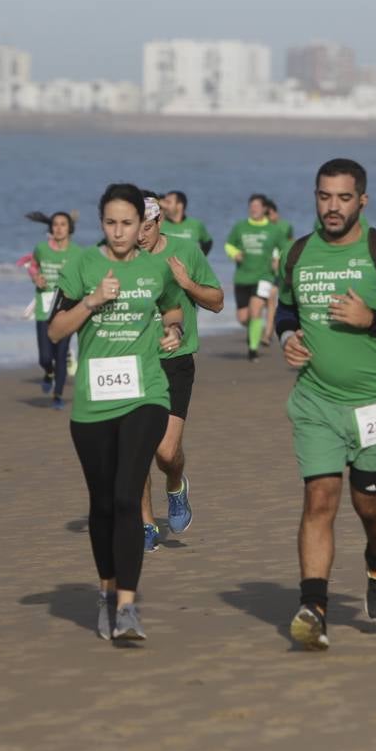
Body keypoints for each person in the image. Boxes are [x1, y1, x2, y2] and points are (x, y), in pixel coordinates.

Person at [277, 158, 376, 650]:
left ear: (361, 200)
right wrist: (286, 335)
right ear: (315, 197)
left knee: (368, 503)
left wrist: (371, 319)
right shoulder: (298, 253)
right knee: (319, 498)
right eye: (325, 197)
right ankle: (313, 608)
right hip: (317, 401)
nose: (333, 207)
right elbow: (285, 307)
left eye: (344, 198)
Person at [47, 183, 185, 642]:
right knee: (103, 504)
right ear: (101, 223)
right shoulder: (81, 265)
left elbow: (171, 309)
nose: (120, 231)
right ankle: (107, 593)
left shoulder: (156, 266)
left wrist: (173, 330)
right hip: (93, 402)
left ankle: (127, 606)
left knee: (128, 496)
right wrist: (91, 301)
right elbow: (55, 331)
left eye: (128, 223)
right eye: (111, 223)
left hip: (146, 393)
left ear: (141, 224)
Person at [136, 193, 224, 552]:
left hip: (176, 362)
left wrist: (187, 284)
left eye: (145, 227)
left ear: (159, 223)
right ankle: (145, 524)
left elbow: (217, 302)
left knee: (166, 453)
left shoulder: (186, 252)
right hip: (136, 363)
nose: (139, 236)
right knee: (139, 450)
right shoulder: (120, 257)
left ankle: (175, 485)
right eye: (131, 227)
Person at [26, 211, 79, 409]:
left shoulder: (77, 253)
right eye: (55, 224)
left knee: (62, 352)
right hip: (43, 310)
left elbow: (84, 275)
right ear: (51, 228)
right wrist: (35, 278)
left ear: (69, 229)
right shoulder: (41, 249)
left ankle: (58, 396)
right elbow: (32, 266)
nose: (58, 228)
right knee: (45, 357)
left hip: (66, 311)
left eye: (63, 224)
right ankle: (48, 372)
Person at [225, 194, 284, 361]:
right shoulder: (240, 227)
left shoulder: (274, 229)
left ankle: (253, 349)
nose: (254, 209)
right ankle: (254, 331)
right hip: (243, 277)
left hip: (264, 277)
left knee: (256, 310)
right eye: (251, 206)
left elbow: (284, 248)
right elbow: (229, 244)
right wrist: (234, 254)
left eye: (257, 206)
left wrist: (278, 259)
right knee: (243, 318)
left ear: (265, 209)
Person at [262, 198, 295, 346]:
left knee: (271, 298)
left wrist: (282, 261)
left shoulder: (285, 226)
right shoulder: (266, 228)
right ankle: (266, 332)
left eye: (268, 214)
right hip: (266, 271)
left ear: (274, 213)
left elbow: (291, 244)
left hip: (280, 270)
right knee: (267, 300)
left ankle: (268, 334)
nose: (266, 218)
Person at [158, 190, 213, 255]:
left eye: (168, 203)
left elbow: (208, 242)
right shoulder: (158, 225)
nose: (165, 206)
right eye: (164, 202)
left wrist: (200, 258)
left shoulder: (196, 224)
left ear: (179, 205)